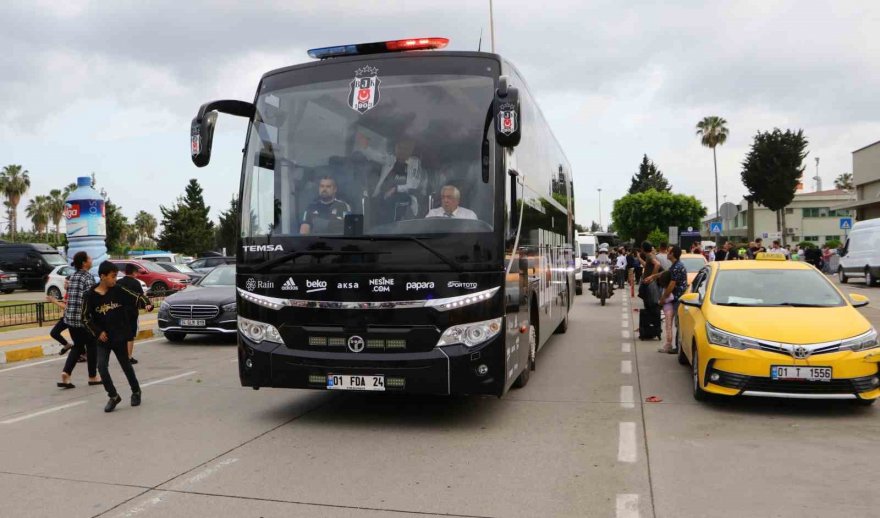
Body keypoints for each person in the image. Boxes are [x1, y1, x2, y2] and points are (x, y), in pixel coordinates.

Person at [84, 261, 151, 413]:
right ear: (102, 276)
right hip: (103, 339)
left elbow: (137, 297)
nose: (115, 280)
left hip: (119, 336)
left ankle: (136, 391)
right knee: (101, 366)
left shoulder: (118, 290)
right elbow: (85, 318)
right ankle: (113, 396)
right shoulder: (90, 295)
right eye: (113, 276)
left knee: (126, 365)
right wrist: (98, 332)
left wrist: (146, 303)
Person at [58, 252, 101, 389]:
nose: (91, 259)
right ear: (84, 263)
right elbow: (91, 299)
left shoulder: (73, 276)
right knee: (92, 345)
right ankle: (92, 376)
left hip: (70, 318)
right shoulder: (87, 277)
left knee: (77, 346)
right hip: (83, 319)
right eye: (89, 258)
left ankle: (66, 373)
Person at [373, 137, 426, 221]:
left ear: (410, 151)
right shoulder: (390, 159)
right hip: (381, 197)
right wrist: (364, 147)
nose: (402, 151)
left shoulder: (414, 163)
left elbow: (413, 184)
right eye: (399, 147)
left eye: (405, 149)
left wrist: (396, 189)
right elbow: (375, 155)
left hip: (404, 198)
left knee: (392, 201)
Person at [116, 263, 153, 364]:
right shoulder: (136, 283)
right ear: (134, 273)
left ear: (125, 272)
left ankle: (122, 355)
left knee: (122, 333)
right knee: (130, 334)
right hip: (131, 311)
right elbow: (141, 297)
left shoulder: (118, 282)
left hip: (119, 311)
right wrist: (147, 305)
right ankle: (128, 357)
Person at [658, 245, 689, 353]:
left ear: (673, 254)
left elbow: (671, 285)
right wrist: (653, 277)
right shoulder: (675, 265)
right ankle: (673, 346)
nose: (667, 253)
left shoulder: (677, 267)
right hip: (675, 298)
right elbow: (665, 273)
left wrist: (663, 298)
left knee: (678, 323)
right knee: (674, 323)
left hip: (678, 298)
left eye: (669, 251)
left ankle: (677, 347)